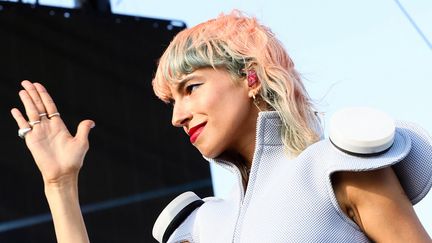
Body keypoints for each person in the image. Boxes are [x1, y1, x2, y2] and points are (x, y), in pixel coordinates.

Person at [11, 10, 432, 243]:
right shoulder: (201, 225)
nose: (177, 116)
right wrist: (60, 186)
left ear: (251, 77)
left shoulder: (338, 169)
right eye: (171, 102)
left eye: (191, 88)